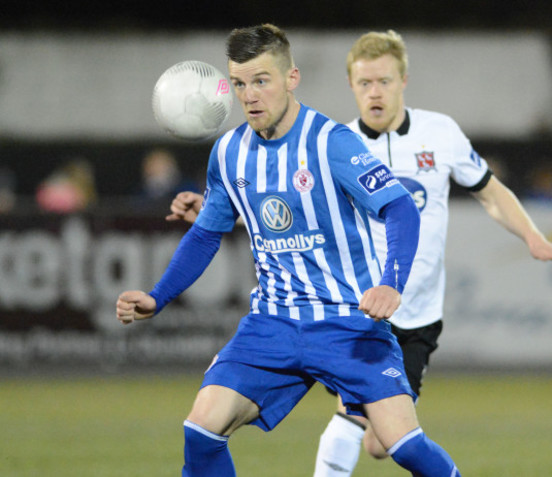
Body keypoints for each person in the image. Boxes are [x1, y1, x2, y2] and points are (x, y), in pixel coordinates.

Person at [166, 28, 552, 477]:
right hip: (353, 310)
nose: (375, 91)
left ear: (403, 81)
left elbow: (489, 192)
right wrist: (219, 214)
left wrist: (532, 237)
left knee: (381, 444)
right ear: (352, 86)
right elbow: (296, 219)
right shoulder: (332, 140)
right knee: (361, 425)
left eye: (384, 81)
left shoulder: (438, 133)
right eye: (365, 83)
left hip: (415, 311)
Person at [117, 24, 462, 477]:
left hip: (347, 324)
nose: (250, 95)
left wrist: (390, 284)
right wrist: (157, 297)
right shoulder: (228, 153)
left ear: (291, 78)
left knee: (404, 447)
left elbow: (401, 208)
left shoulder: (331, 141)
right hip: (273, 324)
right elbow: (205, 234)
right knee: (201, 429)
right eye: (239, 84)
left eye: (262, 80)